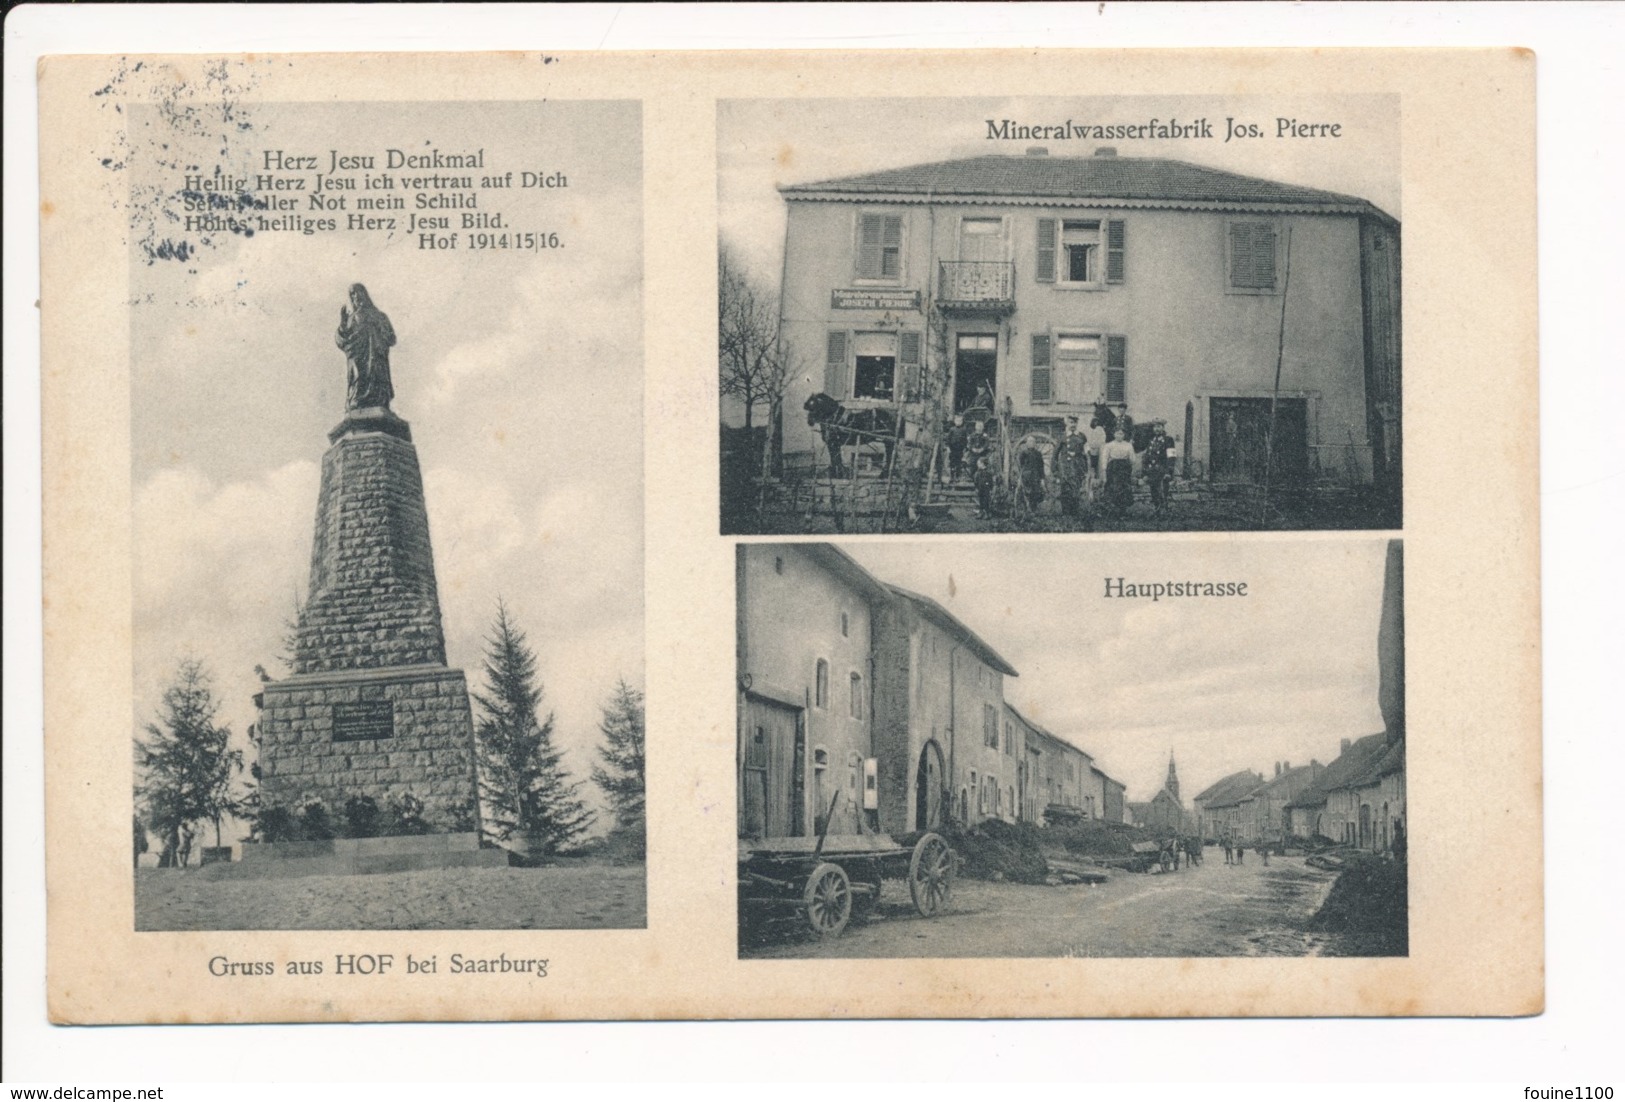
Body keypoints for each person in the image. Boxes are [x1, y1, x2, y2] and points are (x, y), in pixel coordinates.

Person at [335, 283, 397, 411]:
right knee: (358, 379)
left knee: (376, 377)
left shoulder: (380, 316)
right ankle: (358, 399)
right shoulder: (350, 319)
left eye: (357, 292)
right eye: (352, 294)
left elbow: (391, 339)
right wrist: (342, 325)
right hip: (358, 359)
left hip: (376, 356)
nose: (355, 296)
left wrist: (379, 327)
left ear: (364, 294)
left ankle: (378, 400)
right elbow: (342, 341)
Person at [1055, 416, 1091, 518]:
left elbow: (1087, 452)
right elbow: (1055, 454)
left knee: (1076, 488)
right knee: (1065, 489)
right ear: (1067, 424)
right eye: (1071, 422)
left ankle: (1075, 512)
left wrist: (1088, 466)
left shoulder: (1082, 436)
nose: (1073, 425)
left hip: (1077, 466)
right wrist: (1055, 470)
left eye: (1075, 423)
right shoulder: (1062, 436)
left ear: (1077, 424)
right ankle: (1065, 513)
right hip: (1065, 467)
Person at [1100, 427, 1137, 515]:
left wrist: (1129, 464)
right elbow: (1104, 458)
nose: (1119, 435)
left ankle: (1122, 510)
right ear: (1114, 434)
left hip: (1124, 468)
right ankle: (1111, 509)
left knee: (1124, 488)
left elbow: (1132, 459)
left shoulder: (1128, 445)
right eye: (1117, 433)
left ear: (1124, 435)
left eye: (1121, 434)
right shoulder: (1109, 445)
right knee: (1113, 486)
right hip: (1113, 468)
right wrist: (1104, 469)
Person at [1143, 420, 1174, 515]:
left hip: (1162, 470)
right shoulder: (1151, 440)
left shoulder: (1168, 440)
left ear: (1163, 428)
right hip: (1152, 470)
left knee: (1163, 491)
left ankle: (1165, 511)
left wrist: (1169, 471)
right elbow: (1147, 456)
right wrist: (1144, 472)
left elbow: (1171, 456)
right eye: (1155, 427)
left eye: (1159, 426)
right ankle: (1157, 510)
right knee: (1154, 491)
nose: (1157, 429)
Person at [945, 415, 968, 484]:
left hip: (960, 449)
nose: (958, 422)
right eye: (957, 420)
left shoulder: (964, 430)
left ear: (962, 422)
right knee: (952, 463)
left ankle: (958, 477)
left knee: (958, 463)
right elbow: (948, 439)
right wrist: (948, 447)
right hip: (952, 449)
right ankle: (952, 477)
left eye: (960, 421)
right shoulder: (952, 429)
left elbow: (965, 440)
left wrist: (965, 448)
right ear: (954, 421)